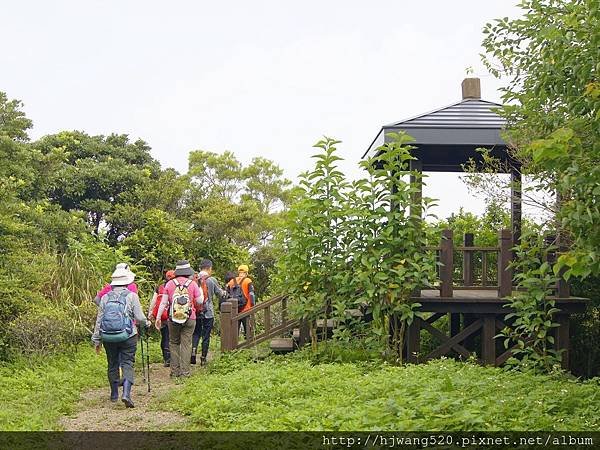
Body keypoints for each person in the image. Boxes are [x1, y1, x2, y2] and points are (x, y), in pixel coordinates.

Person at [92, 265, 149, 408]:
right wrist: (146, 323)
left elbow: (99, 320)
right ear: (127, 281)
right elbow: (140, 318)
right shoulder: (132, 296)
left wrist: (97, 339)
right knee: (127, 362)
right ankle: (126, 394)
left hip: (108, 337)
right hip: (128, 336)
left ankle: (113, 394)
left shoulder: (105, 298)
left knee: (112, 363)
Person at [155, 260, 203, 378]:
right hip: (190, 317)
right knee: (186, 344)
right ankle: (185, 372)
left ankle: (174, 371)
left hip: (173, 318)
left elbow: (164, 303)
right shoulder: (192, 284)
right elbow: (200, 301)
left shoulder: (170, 284)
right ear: (188, 272)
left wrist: (158, 317)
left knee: (174, 343)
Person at [192, 259, 227, 366]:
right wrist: (225, 292)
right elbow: (220, 294)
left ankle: (193, 353)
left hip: (196, 312)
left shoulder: (194, 279)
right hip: (208, 312)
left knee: (196, 333)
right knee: (206, 336)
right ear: (209, 268)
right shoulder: (212, 280)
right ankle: (203, 358)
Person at [148, 269, 176, 367]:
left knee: (165, 337)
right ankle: (174, 358)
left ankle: (166, 358)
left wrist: (150, 313)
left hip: (163, 317)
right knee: (173, 338)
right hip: (174, 316)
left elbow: (154, 301)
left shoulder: (159, 287)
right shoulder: (176, 286)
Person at [226, 264, 256, 339]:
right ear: (247, 272)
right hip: (246, 309)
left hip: (234, 310)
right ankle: (248, 346)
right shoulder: (248, 281)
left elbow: (227, 295)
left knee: (235, 330)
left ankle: (234, 347)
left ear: (238, 272)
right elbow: (251, 294)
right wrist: (253, 306)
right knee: (247, 330)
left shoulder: (232, 281)